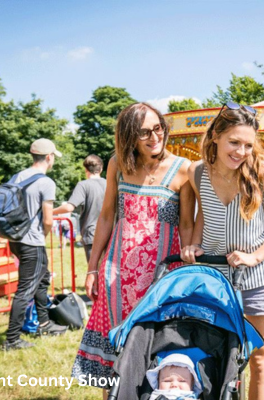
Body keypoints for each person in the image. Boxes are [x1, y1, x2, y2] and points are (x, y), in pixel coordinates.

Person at [71, 103, 194, 398]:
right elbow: (106, 216)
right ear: (129, 137)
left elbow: (187, 224)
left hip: (161, 276)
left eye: (158, 128)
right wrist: (93, 266)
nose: (155, 136)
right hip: (116, 272)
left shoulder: (184, 169)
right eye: (144, 133)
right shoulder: (117, 164)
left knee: (156, 344)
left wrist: (187, 270)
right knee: (114, 348)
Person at [181, 102, 264, 400]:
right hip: (215, 277)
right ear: (215, 138)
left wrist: (255, 255)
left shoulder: (263, 172)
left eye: (248, 145)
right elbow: (204, 214)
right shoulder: (197, 172)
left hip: (260, 277)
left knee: (259, 357)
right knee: (214, 353)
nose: (240, 151)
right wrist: (195, 243)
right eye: (233, 142)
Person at [2, 138, 68, 351]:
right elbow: (48, 220)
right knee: (25, 289)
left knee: (41, 280)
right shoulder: (46, 182)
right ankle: (11, 339)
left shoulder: (18, 176)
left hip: (16, 240)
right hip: (33, 241)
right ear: (49, 157)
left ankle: (45, 323)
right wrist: (43, 235)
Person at [53, 155, 107, 262]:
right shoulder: (109, 183)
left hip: (92, 235)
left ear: (86, 169)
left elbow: (69, 207)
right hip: (110, 233)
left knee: (94, 271)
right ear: (101, 169)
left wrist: (50, 211)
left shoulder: (83, 185)